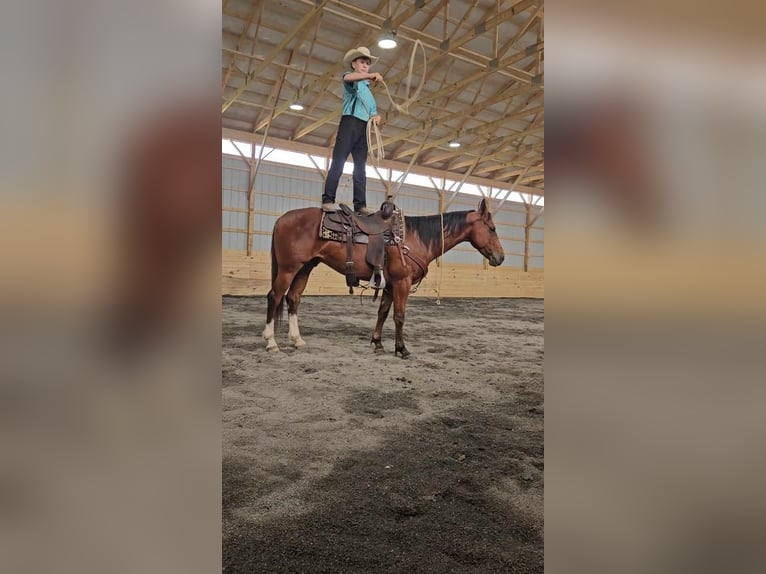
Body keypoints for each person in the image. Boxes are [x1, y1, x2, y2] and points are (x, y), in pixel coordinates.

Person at [321, 46, 383, 215]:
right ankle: (328, 199)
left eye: (367, 64)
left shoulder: (369, 93)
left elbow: (374, 113)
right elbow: (348, 77)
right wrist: (370, 75)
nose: (365, 66)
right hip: (349, 124)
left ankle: (360, 205)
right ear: (354, 64)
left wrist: (377, 118)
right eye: (362, 62)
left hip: (363, 128)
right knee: (339, 161)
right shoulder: (352, 80)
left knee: (360, 168)